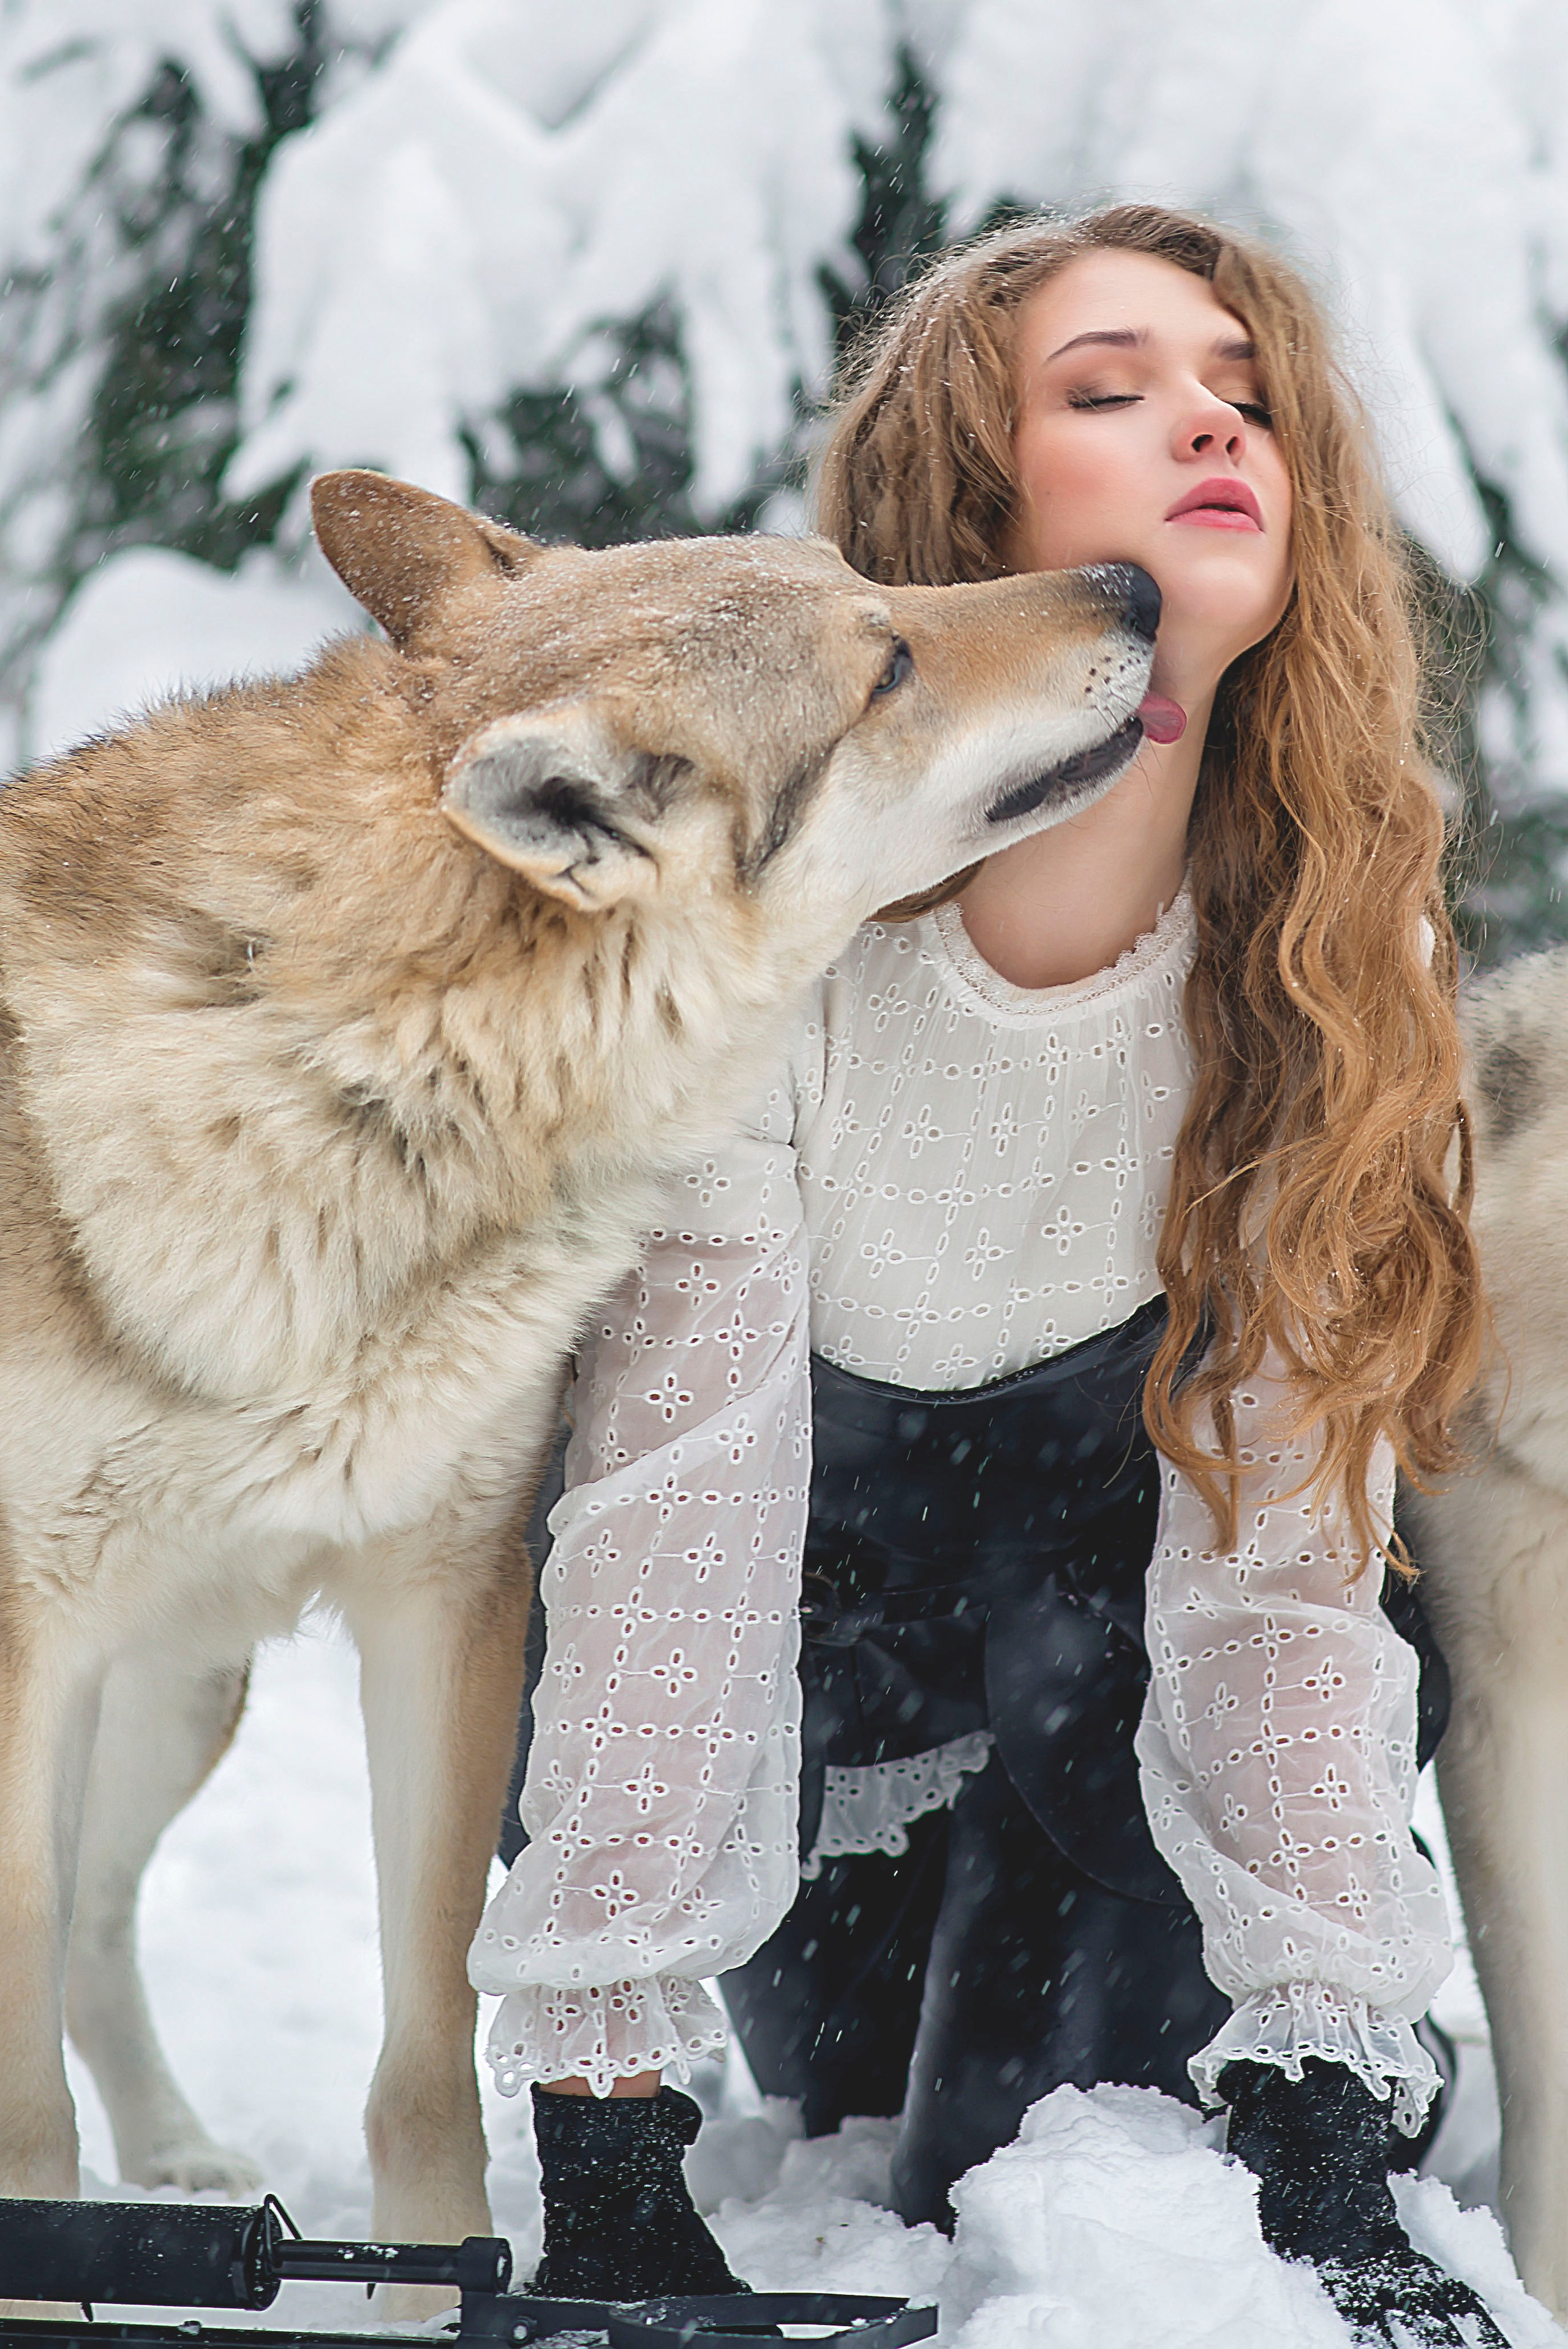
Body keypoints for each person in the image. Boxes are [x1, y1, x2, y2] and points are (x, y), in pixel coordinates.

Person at [472, 205, 1501, 2345]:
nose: (1209, 419)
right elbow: (681, 1507)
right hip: (791, 1688)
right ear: (972, 512)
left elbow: (1286, 1551)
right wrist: (604, 2097)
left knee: (1051, 2189)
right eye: (1108, 391)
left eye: (1242, 389)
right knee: (854, 2120)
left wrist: (1322, 2054)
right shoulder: (780, 928)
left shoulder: (1332, 947)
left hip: (1114, 1697)